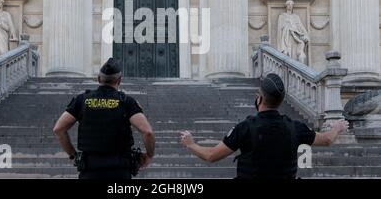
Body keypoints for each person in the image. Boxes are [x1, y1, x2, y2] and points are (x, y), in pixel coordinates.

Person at [180, 73, 349, 179]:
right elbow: (327, 140)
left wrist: (191, 144)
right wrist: (338, 127)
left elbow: (211, 156)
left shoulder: (245, 127)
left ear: (259, 99)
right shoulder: (296, 127)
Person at [53, 58, 155, 180]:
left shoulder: (82, 100)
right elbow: (147, 132)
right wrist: (149, 155)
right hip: (119, 171)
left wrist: (73, 155)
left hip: (90, 171)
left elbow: (58, 129)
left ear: (99, 79)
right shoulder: (126, 101)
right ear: (119, 80)